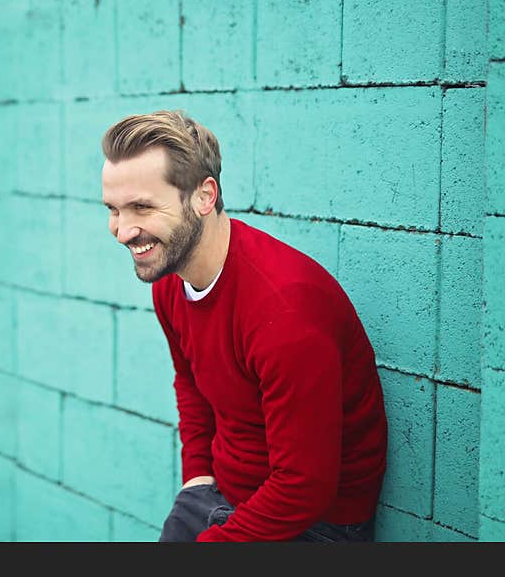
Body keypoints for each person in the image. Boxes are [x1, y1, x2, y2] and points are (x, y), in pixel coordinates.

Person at [100, 110, 388, 542]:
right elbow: (191, 383)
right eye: (113, 209)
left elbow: (304, 486)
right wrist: (196, 473)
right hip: (221, 492)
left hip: (316, 524)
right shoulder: (171, 282)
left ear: (204, 196)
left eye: (141, 207)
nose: (122, 231)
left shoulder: (286, 311)